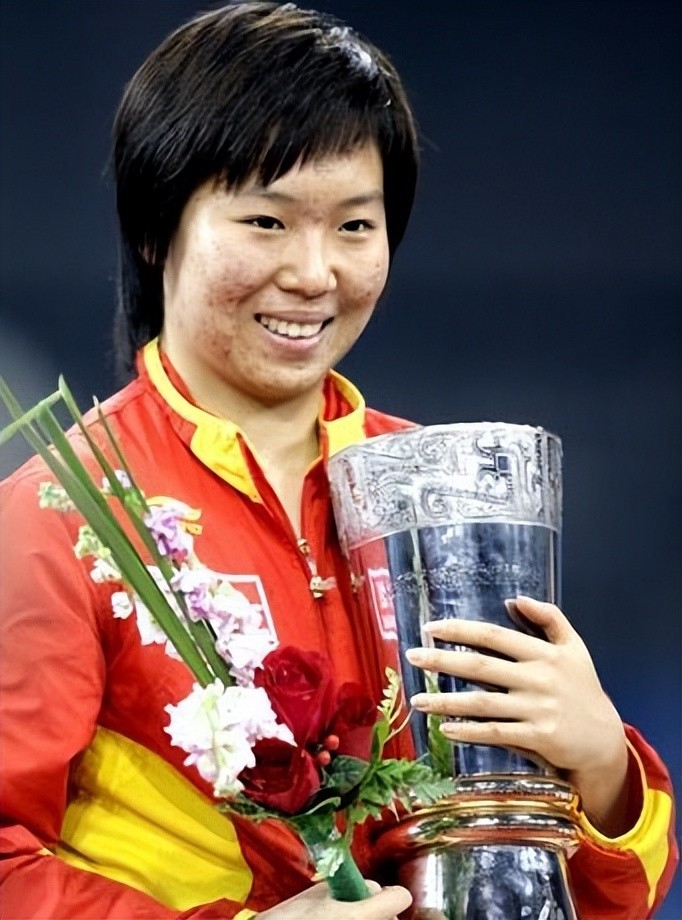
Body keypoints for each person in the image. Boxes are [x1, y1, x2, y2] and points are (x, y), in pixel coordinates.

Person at [0, 3, 677, 918]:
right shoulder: (62, 515)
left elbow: (582, 892)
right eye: (267, 221)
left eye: (355, 226)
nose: (315, 273)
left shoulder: (442, 495)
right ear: (157, 228)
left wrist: (601, 770)